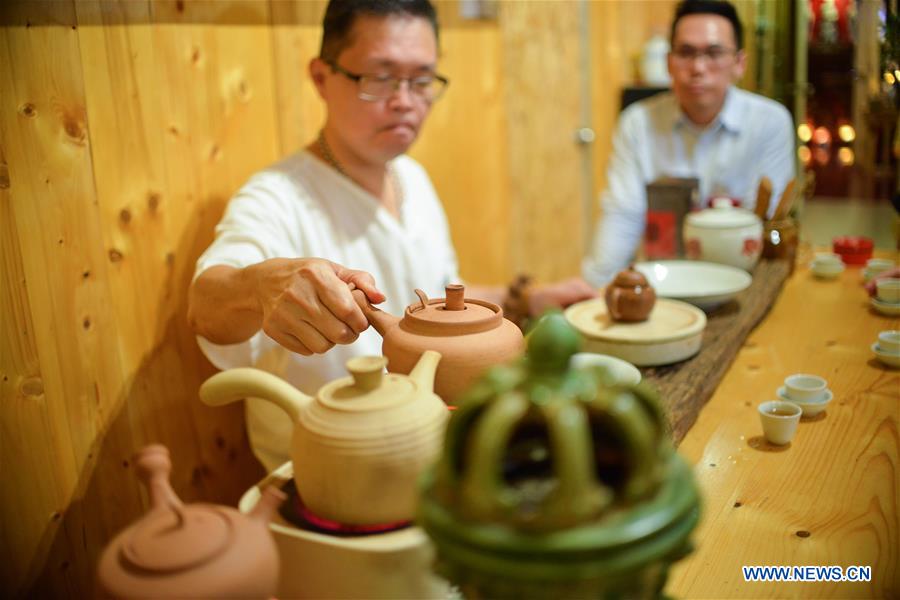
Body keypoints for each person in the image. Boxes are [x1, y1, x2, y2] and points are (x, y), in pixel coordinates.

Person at [187, 0, 595, 471]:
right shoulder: (275, 197)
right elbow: (205, 305)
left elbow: (431, 307)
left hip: (431, 453)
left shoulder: (411, 179)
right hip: (332, 472)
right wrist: (262, 285)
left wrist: (525, 297)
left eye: (422, 81)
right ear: (322, 77)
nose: (405, 99)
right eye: (380, 78)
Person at [583, 0, 796, 286]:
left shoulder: (770, 122)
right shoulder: (638, 123)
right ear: (669, 62)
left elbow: (766, 219)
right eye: (686, 53)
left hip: (743, 280)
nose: (698, 67)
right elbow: (623, 215)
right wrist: (594, 287)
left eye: (714, 53)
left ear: (739, 63)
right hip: (661, 281)